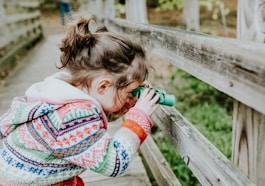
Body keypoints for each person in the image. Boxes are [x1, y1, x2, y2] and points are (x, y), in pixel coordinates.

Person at [0, 15, 160, 185]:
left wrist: (122, 106)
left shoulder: (56, 95)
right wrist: (139, 118)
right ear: (103, 86)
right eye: (131, 91)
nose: (132, 96)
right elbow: (114, 163)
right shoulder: (75, 117)